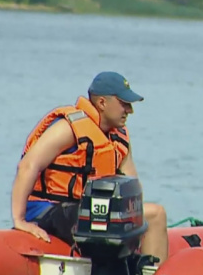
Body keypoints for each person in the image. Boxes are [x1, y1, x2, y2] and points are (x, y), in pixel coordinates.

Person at [11, 71, 168, 263]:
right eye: (124, 104)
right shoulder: (68, 128)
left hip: (91, 210)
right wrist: (19, 220)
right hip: (49, 209)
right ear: (102, 103)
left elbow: (133, 190)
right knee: (102, 220)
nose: (129, 110)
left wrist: (132, 223)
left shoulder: (118, 139)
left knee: (156, 214)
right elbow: (27, 165)